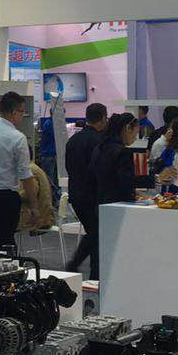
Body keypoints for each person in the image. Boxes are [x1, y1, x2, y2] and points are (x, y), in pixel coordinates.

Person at [0, 91, 36, 251]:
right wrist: (34, 205)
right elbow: (26, 175)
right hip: (6, 198)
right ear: (14, 112)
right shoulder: (17, 137)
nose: (22, 116)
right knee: (6, 241)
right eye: (22, 112)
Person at [64, 103, 107, 277]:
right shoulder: (99, 141)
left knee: (95, 233)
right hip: (92, 195)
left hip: (76, 194)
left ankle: (91, 271)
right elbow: (98, 171)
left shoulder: (73, 140)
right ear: (103, 118)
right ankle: (82, 266)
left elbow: (68, 167)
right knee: (96, 232)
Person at [94, 112, 157, 208]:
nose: (135, 138)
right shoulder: (123, 152)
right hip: (118, 204)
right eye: (135, 133)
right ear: (128, 128)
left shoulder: (99, 147)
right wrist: (155, 179)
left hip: (101, 202)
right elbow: (128, 180)